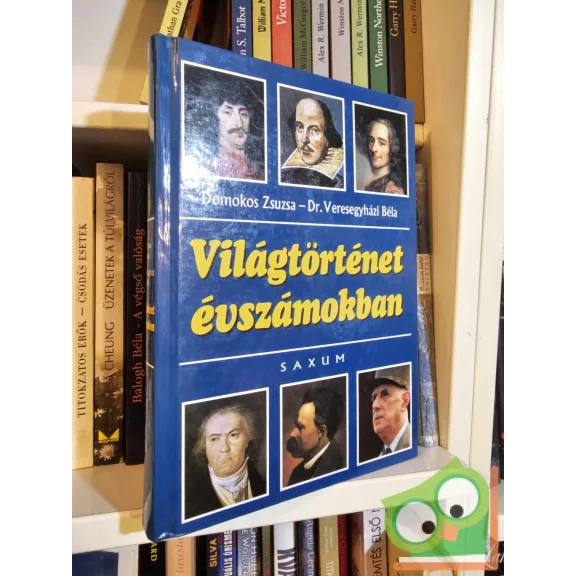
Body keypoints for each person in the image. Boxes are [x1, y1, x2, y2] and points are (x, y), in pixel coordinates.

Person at [185, 404, 265, 519]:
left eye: (233, 435)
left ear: (248, 439)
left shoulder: (265, 481)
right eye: (214, 439)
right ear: (204, 447)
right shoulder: (190, 502)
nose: (224, 448)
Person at [285, 386, 345, 486]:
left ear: (321, 432)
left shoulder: (341, 465)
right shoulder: (296, 474)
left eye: (300, 427)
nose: (292, 433)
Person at [281, 97, 344, 188]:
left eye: (315, 130)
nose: (304, 139)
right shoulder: (282, 178)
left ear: (328, 138)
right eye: (299, 127)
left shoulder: (339, 185)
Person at [370, 371, 411, 455]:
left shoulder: (416, 444)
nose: (374, 405)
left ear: (404, 401)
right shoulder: (380, 458)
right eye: (374, 398)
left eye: (385, 394)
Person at [360, 118, 406, 194]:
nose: (374, 149)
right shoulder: (362, 176)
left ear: (392, 148)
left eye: (382, 143)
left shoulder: (392, 190)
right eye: (371, 141)